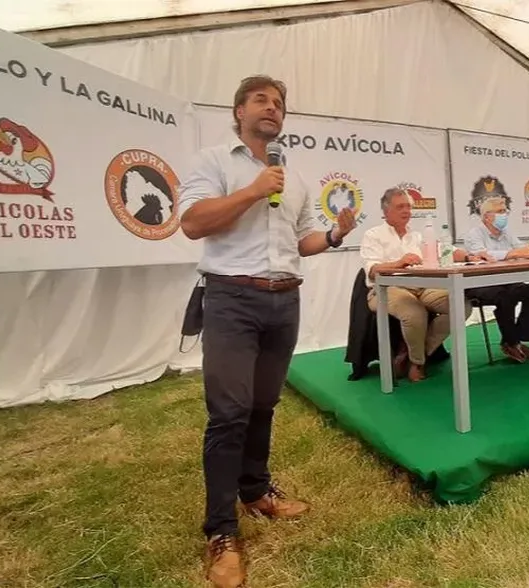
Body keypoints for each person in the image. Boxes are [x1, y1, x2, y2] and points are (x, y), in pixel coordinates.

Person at [178, 75, 356, 587]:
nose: (272, 109)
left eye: (279, 104)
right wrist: (253, 190)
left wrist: (336, 233)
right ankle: (221, 531)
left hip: (284, 300)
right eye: (261, 100)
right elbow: (192, 223)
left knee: (263, 405)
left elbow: (302, 242)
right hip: (232, 298)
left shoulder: (292, 177)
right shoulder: (213, 161)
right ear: (238, 112)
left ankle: (256, 491)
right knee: (228, 414)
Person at [360, 189, 453, 382]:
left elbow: (446, 250)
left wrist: (471, 256)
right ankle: (417, 362)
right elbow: (372, 269)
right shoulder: (373, 234)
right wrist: (398, 262)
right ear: (386, 211)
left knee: (460, 305)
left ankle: (418, 353)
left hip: (420, 287)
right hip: (385, 290)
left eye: (408, 206)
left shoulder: (418, 236)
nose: (406, 211)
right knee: (414, 313)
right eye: (400, 206)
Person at [463, 196, 529, 362]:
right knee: (505, 296)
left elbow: (521, 249)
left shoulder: (507, 233)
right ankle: (512, 342)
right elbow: (483, 256)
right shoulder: (474, 234)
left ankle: (519, 337)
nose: (504, 215)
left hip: (506, 280)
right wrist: (513, 254)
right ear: (487, 216)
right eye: (500, 212)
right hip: (479, 283)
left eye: (505, 211)